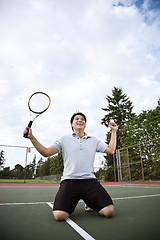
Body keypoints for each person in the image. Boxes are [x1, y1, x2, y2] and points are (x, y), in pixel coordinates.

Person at [23, 112, 118, 221]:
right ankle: (62, 201)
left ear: (85, 124)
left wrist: (113, 131)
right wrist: (31, 137)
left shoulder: (93, 140)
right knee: (59, 216)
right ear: (71, 125)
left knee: (109, 212)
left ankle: (90, 202)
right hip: (69, 181)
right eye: (76, 119)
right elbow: (46, 152)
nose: (79, 120)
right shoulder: (64, 139)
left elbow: (111, 150)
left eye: (82, 119)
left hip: (89, 181)